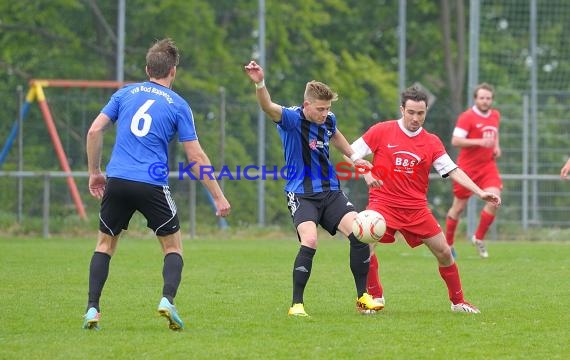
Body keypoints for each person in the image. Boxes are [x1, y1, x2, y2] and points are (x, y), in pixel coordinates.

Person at [84, 38, 231, 331]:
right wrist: (218, 196)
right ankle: (167, 300)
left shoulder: (124, 94)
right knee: (172, 247)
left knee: (104, 244)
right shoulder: (178, 104)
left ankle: (92, 309)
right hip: (150, 184)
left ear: (147, 68)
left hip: (117, 180)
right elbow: (195, 156)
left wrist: (95, 172)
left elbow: (94, 130)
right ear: (172, 71)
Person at [243, 60, 383, 317]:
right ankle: (297, 304)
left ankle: (363, 298)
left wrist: (354, 158)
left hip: (330, 191)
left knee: (359, 233)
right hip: (301, 193)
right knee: (310, 240)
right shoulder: (291, 118)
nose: (324, 113)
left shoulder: (328, 120)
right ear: (306, 105)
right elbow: (267, 106)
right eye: (320, 109)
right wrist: (259, 82)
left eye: (328, 108)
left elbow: (337, 136)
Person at [350, 86, 501, 313]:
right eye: (410, 112)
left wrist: (479, 191)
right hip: (383, 204)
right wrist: (366, 173)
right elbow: (349, 151)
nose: (415, 118)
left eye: (420, 113)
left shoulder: (431, 142)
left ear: (426, 112)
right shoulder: (382, 130)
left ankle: (458, 302)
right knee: (366, 246)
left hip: (416, 208)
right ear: (402, 109)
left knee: (444, 252)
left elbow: (453, 170)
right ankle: (374, 297)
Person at [444, 83, 502, 259]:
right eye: (482, 98)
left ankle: (478, 237)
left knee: (495, 200)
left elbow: (494, 133)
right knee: (458, 208)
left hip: (488, 167)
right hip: (467, 169)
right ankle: (448, 245)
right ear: (476, 99)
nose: (485, 101)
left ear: (492, 100)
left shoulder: (495, 115)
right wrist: (478, 142)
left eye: (488, 98)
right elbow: (455, 140)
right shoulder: (467, 117)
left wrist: (496, 147)